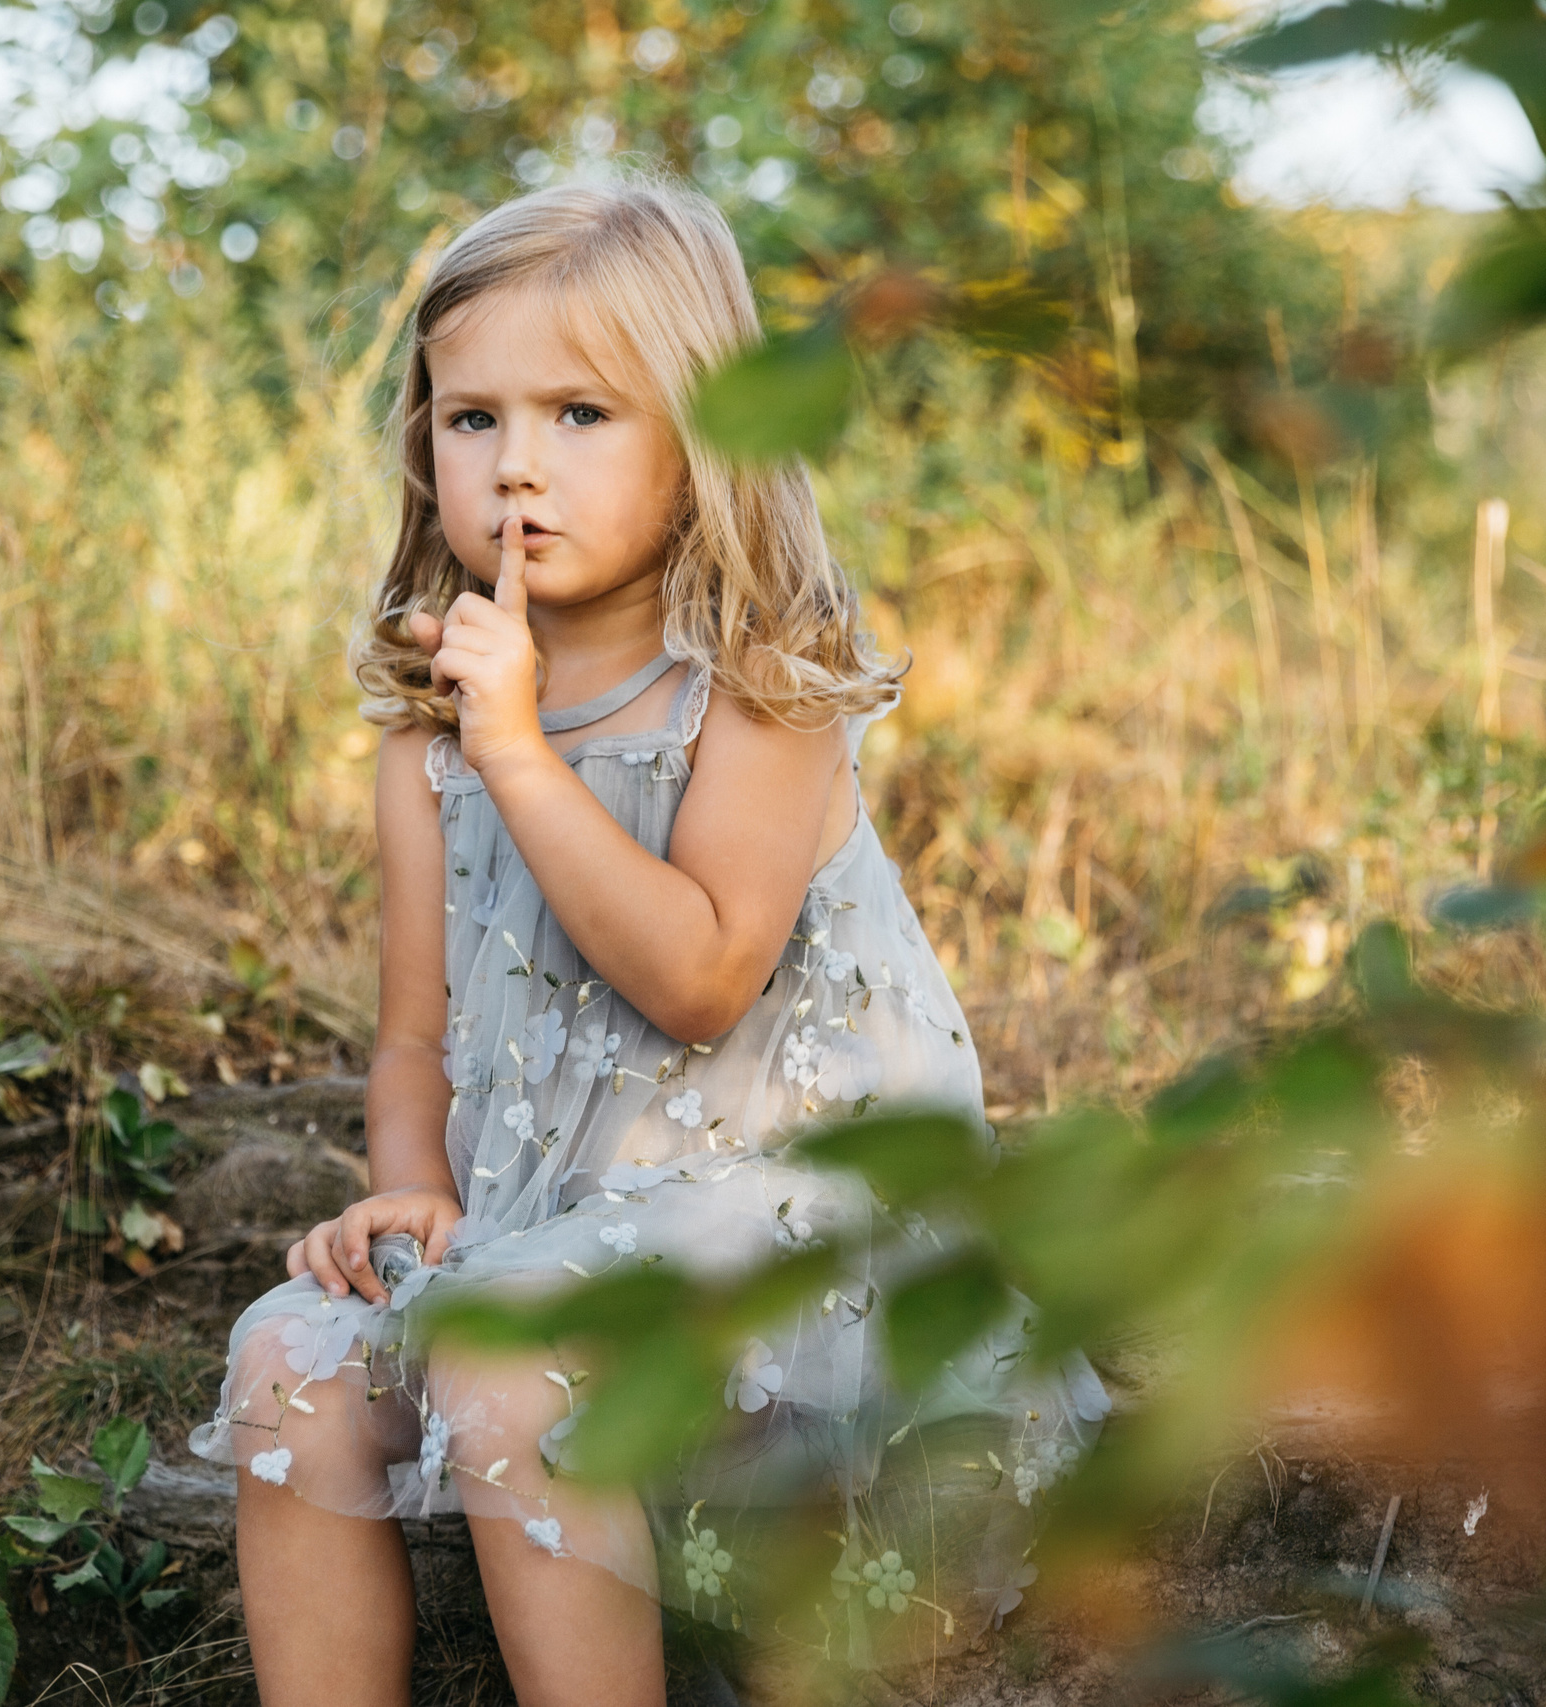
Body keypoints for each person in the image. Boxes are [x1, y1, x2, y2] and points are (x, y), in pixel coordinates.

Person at [189, 173, 1108, 1707]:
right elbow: (415, 1031)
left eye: (582, 415)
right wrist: (408, 1184)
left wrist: (523, 754)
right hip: (550, 1226)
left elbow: (697, 979)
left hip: (790, 1229)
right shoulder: (427, 742)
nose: (517, 470)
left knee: (495, 1346)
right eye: (470, 419)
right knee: (290, 1354)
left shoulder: (761, 682)